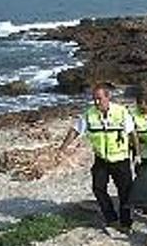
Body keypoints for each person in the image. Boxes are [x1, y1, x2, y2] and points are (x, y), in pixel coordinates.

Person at [59, 83, 138, 230]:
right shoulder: (89, 114)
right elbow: (75, 130)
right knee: (98, 188)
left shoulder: (121, 112)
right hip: (101, 159)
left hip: (121, 159)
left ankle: (126, 222)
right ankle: (111, 218)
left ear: (108, 97)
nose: (96, 102)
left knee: (125, 192)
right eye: (94, 99)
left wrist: (137, 153)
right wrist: (62, 148)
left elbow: (132, 133)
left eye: (99, 99)